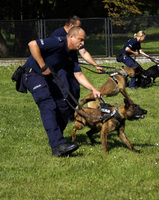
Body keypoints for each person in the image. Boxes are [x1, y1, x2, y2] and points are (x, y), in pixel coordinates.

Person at [21, 27, 101, 157]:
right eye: (80, 40)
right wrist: (43, 65)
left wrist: (93, 89)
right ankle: (58, 145)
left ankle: (57, 137)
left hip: (47, 76)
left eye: (83, 41)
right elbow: (32, 44)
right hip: (32, 74)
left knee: (64, 103)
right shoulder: (58, 42)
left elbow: (79, 75)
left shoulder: (72, 53)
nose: (83, 43)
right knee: (47, 104)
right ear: (71, 37)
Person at [50, 16, 102, 109]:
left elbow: (83, 52)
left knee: (75, 89)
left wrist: (95, 65)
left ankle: (72, 113)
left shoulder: (77, 38)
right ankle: (62, 112)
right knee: (65, 90)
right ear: (71, 25)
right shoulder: (58, 34)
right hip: (59, 67)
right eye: (77, 26)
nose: (79, 29)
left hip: (70, 66)